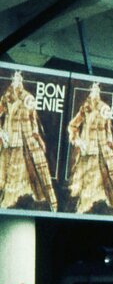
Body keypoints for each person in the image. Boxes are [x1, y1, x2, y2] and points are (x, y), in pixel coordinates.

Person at [66, 82, 113, 216]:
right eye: (92, 89)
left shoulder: (104, 108)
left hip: (104, 151)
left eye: (97, 89)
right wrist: (78, 141)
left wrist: (111, 146)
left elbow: (108, 130)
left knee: (111, 179)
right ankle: (83, 209)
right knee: (88, 181)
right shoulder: (85, 108)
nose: (94, 92)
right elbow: (73, 126)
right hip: (89, 152)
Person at [0, 71, 58, 211]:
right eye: (15, 79)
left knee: (38, 170)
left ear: (22, 81)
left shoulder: (28, 98)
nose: (17, 82)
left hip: (27, 140)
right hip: (10, 141)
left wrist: (37, 137)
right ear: (12, 80)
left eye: (19, 79)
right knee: (7, 172)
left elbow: (33, 120)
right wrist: (1, 133)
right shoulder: (6, 98)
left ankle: (51, 204)